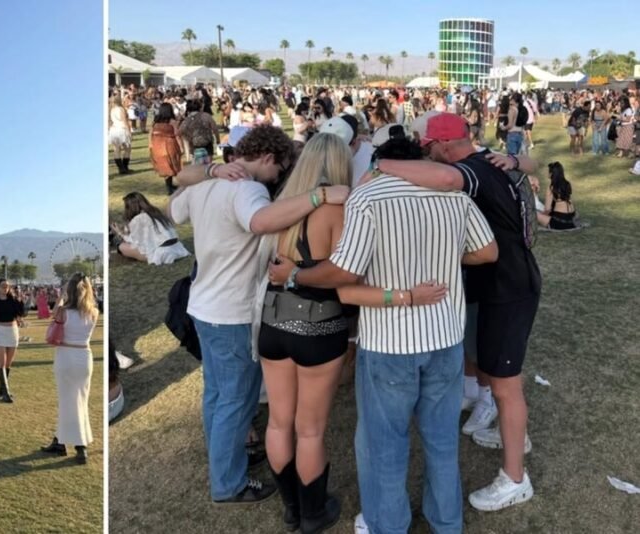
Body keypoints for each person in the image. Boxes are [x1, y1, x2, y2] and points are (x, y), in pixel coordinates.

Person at [276, 133, 498, 533]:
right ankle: (447, 524)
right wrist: (444, 253)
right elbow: (487, 252)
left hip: (388, 343)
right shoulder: (455, 199)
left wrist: (295, 274)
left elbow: (343, 274)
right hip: (446, 336)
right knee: (442, 442)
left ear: (381, 162)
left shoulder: (368, 198)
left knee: (386, 447)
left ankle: (389, 526)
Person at [169, 124, 350, 506]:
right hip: (232, 308)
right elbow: (260, 222)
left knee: (217, 394)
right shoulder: (249, 188)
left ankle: (222, 459)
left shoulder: (209, 182)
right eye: (279, 168)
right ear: (267, 157)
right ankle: (228, 482)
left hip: (203, 303)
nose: (279, 177)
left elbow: (174, 206)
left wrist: (209, 171)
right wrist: (319, 196)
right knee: (237, 399)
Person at [378, 113, 542, 513]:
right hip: (510, 280)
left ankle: (515, 479)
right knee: (496, 371)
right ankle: (513, 435)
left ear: (446, 145)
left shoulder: (467, 170)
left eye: (431, 146)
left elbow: (450, 181)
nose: (429, 153)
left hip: (509, 287)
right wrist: (519, 162)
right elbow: (530, 165)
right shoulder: (491, 159)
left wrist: (381, 164)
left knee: (505, 382)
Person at [253, 133, 353, 533]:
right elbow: (345, 273)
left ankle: (292, 509)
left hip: (273, 324)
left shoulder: (282, 206)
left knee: (279, 423)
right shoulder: (338, 211)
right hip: (319, 324)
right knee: (309, 429)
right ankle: (313, 513)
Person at [40, 273, 99, 464]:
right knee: (78, 401)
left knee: (67, 402)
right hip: (84, 357)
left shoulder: (63, 311)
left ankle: (80, 447)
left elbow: (53, 319)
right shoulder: (93, 312)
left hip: (66, 356)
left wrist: (62, 297)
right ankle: (60, 441)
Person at [111, 192, 190, 265]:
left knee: (122, 247)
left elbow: (135, 242)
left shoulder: (138, 219)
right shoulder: (156, 212)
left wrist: (120, 233)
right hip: (177, 248)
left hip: (161, 252)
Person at [0, 278, 25, 403]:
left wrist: (21, 301)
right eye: (3, 286)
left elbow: (22, 313)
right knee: (1, 362)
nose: (5, 288)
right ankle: (6, 392)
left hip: (13, 330)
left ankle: (1, 389)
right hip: (1, 330)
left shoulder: (13, 300)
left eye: (7, 286)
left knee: (8, 363)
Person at [149, 102, 183, 193]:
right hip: (170, 144)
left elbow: (151, 133)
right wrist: (181, 146)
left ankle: (169, 186)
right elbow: (177, 135)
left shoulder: (155, 122)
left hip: (157, 145)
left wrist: (150, 144)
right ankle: (173, 186)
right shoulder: (172, 122)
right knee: (173, 163)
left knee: (165, 165)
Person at [536, 162, 578, 230]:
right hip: (571, 220)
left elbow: (547, 209)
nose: (547, 173)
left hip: (559, 222)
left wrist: (542, 216)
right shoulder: (567, 184)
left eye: (548, 172)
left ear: (551, 173)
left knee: (534, 214)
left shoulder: (551, 187)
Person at [109, 95, 133, 174]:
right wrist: (129, 131)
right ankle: (124, 167)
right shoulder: (121, 109)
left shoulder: (112, 110)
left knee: (117, 149)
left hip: (114, 130)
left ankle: (121, 168)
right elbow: (124, 120)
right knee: (127, 148)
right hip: (122, 129)